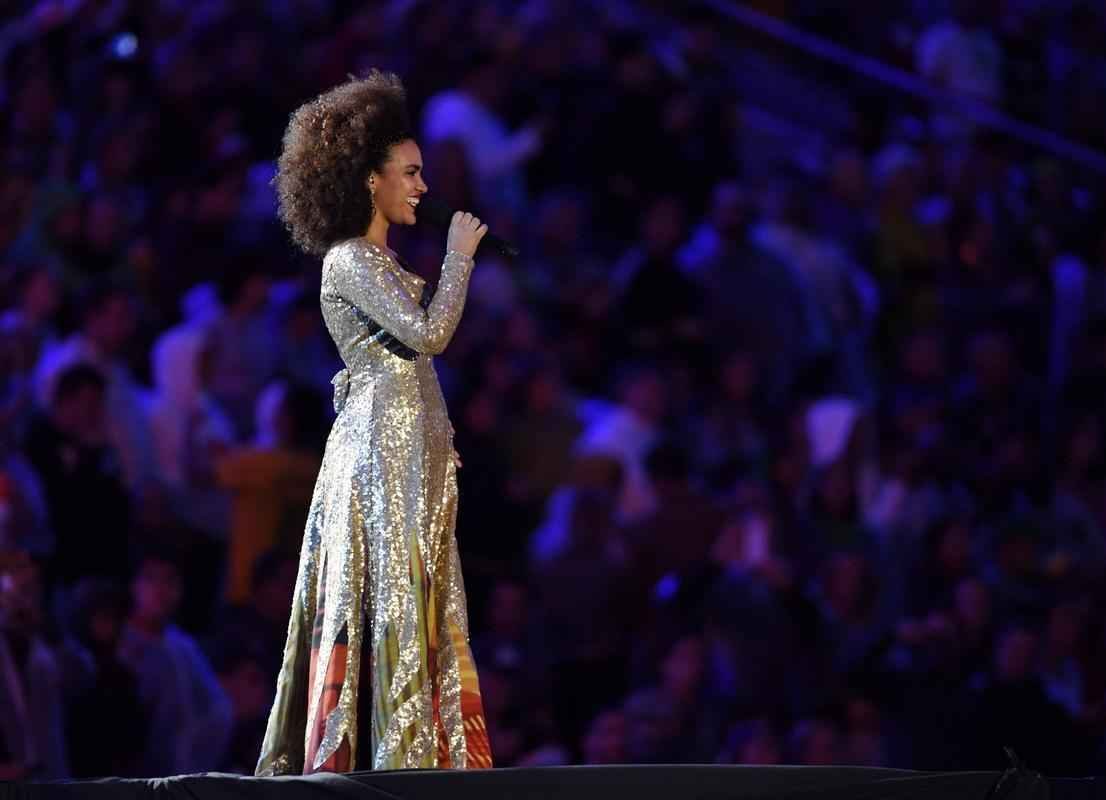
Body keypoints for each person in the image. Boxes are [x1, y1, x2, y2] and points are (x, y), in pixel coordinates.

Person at [255, 69, 492, 775]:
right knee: (386, 587)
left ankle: (421, 748)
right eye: (409, 172)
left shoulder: (375, 260)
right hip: (379, 460)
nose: (422, 186)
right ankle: (394, 752)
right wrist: (458, 258)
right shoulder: (350, 258)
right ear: (369, 179)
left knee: (412, 586)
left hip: (409, 451)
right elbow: (430, 334)